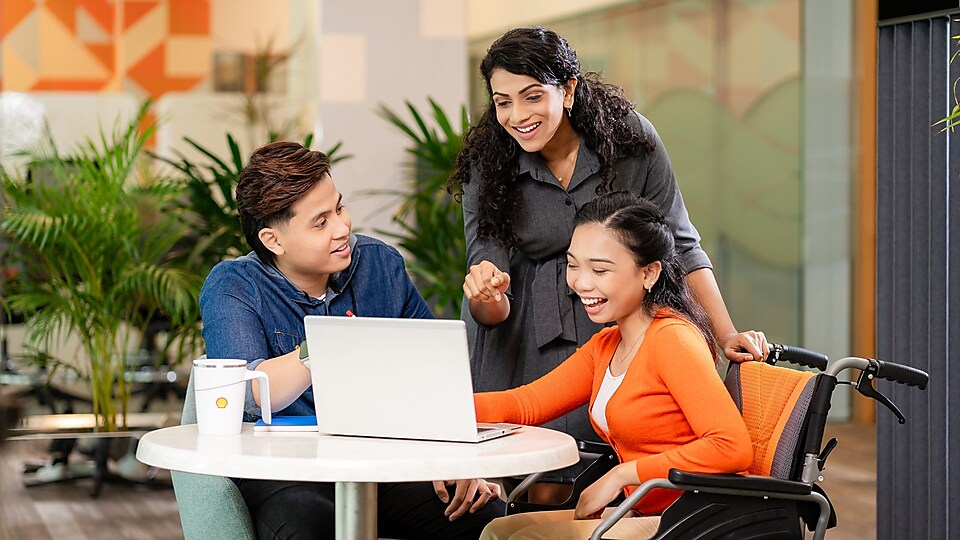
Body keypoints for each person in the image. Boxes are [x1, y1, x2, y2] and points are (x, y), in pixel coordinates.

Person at [450, 26, 765, 489]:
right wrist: (487, 294)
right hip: (521, 327)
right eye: (502, 102)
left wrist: (724, 333)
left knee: (603, 451)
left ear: (570, 89)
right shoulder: (489, 160)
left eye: (533, 96)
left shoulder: (631, 140)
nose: (518, 115)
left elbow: (679, 244)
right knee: (523, 468)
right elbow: (491, 297)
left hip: (619, 317)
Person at [199, 141, 504, 540]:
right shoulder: (234, 285)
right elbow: (256, 394)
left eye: (339, 208)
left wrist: (457, 460)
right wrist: (328, 345)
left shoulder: (379, 264)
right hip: (283, 475)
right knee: (309, 525)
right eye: (320, 222)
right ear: (274, 240)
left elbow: (432, 377)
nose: (343, 228)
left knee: (488, 518)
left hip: (381, 465)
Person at [474, 191, 753, 539]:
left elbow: (732, 446)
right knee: (499, 531)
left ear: (650, 273)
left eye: (600, 269)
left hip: (697, 516)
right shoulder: (607, 344)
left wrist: (622, 475)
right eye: (573, 265)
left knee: (527, 538)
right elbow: (525, 404)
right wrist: (434, 409)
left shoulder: (672, 339)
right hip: (643, 507)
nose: (581, 283)